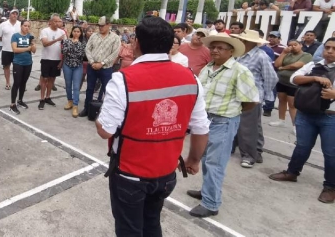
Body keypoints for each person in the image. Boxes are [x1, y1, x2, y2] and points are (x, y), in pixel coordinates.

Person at [96, 17, 209, 236]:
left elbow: (105, 131)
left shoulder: (123, 79)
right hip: (166, 174)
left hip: (130, 174)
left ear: (136, 43)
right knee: (151, 223)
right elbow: (201, 127)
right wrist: (193, 160)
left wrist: (100, 118)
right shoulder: (191, 79)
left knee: (130, 229)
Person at [186, 34, 259, 218]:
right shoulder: (208, 68)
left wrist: (232, 112)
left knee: (215, 163)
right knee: (206, 159)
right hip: (206, 119)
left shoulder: (239, 70)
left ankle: (211, 203)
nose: (215, 51)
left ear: (231, 52)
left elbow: (250, 101)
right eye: (213, 47)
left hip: (223, 121)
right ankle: (207, 191)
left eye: (220, 48)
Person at [268, 37, 335, 204]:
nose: (330, 51)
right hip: (306, 114)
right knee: (302, 146)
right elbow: (294, 78)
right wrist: (314, 78)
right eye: (327, 47)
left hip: (330, 117)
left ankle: (330, 187)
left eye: (334, 49)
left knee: (331, 153)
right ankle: (292, 172)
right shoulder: (314, 65)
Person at [231, 30, 278, 168]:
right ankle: (249, 149)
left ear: (249, 42)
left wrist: (265, 95)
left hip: (251, 96)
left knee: (248, 127)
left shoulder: (261, 56)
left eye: (242, 40)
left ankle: (249, 155)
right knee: (242, 123)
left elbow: (271, 77)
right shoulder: (239, 55)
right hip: (237, 94)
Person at [80, 17, 121, 119]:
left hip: (106, 68)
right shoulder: (94, 36)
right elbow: (88, 49)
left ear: (108, 25)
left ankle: (104, 111)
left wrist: (102, 63)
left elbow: (115, 53)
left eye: (102, 25)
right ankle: (87, 108)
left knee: (106, 90)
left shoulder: (115, 38)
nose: (100, 27)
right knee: (90, 88)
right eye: (99, 25)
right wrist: (92, 62)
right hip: (92, 66)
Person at [269, 39, 313, 129]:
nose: (292, 47)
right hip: (282, 81)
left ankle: (295, 125)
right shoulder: (287, 54)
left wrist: (283, 68)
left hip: (294, 84)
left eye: (295, 45)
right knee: (281, 100)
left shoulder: (306, 55)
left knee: (292, 104)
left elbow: (297, 65)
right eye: (290, 45)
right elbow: (277, 64)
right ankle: (281, 120)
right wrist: (283, 53)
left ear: (300, 45)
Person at [38, 14, 66, 110]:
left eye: (59, 21)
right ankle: (41, 99)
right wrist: (57, 39)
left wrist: (62, 61)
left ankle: (48, 97)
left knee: (51, 80)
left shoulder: (62, 32)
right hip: (46, 59)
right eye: (56, 21)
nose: (58, 23)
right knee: (44, 79)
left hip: (56, 60)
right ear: (51, 22)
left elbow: (65, 48)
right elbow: (45, 44)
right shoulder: (45, 31)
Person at [9, 20, 35, 115]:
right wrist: (27, 48)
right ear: (21, 26)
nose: (27, 27)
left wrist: (32, 43)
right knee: (16, 83)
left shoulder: (30, 37)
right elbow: (15, 49)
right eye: (25, 25)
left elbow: (34, 51)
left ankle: (20, 100)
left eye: (28, 26)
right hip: (18, 63)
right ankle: (12, 104)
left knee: (24, 83)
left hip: (28, 63)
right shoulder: (15, 36)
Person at [61, 26, 86, 117]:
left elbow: (81, 54)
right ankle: (69, 101)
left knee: (76, 86)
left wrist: (75, 45)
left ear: (80, 33)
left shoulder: (82, 43)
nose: (76, 33)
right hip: (67, 65)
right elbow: (64, 51)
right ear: (72, 32)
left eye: (78, 31)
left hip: (78, 66)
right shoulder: (67, 41)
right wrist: (72, 44)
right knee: (68, 85)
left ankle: (75, 105)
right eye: (74, 31)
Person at [0, 10, 21, 90]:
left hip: (17, 50)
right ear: (9, 15)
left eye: (16, 14)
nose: (15, 15)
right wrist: (5, 40)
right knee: (6, 66)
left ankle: (17, 83)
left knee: (17, 67)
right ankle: (8, 83)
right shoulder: (3, 25)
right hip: (6, 49)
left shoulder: (20, 24)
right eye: (13, 13)